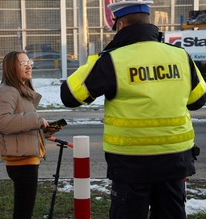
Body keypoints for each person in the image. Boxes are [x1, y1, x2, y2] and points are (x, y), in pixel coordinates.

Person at [60, 1, 206, 218]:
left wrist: (99, 58)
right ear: (149, 23)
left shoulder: (113, 60)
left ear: (119, 26)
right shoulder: (180, 55)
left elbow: (69, 96)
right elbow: (197, 101)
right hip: (175, 161)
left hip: (131, 164)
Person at [0, 51, 60, 219]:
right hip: (21, 162)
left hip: (26, 159)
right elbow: (3, 122)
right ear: (12, 68)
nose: (28, 66)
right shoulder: (8, 91)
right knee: (23, 212)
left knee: (24, 210)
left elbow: (22, 126)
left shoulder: (20, 90)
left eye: (29, 62)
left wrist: (45, 130)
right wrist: (36, 120)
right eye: (23, 63)